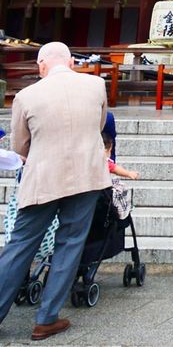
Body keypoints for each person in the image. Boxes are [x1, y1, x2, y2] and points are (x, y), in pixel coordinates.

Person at [0, 42, 110, 342]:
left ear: (41, 65)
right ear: (72, 62)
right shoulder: (96, 85)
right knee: (70, 243)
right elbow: (98, 126)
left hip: (42, 178)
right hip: (86, 176)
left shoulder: (26, 96)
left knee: (20, 244)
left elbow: (20, 147)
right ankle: (46, 319)